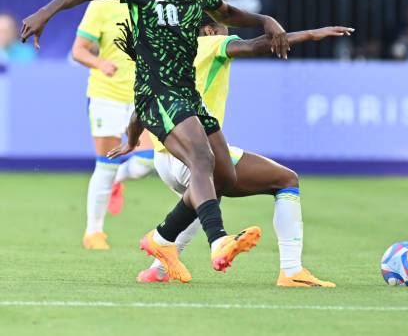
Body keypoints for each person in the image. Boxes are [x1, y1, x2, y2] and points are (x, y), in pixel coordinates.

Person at [21, 0, 291, 282]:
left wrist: (265, 20)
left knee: (224, 176)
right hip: (157, 92)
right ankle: (218, 241)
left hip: (187, 95)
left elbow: (227, 13)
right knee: (202, 159)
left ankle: (162, 238)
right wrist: (44, 12)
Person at [109, 19, 352, 286]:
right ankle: (291, 271)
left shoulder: (166, 55)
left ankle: (159, 268)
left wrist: (131, 142)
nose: (230, 35)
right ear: (211, 30)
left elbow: (140, 109)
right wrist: (310, 33)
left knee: (201, 201)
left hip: (164, 160)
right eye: (226, 29)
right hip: (197, 155)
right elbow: (256, 45)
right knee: (287, 180)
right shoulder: (212, 43)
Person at [71, 0, 155, 250]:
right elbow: (78, 51)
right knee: (104, 163)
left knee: (147, 162)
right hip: (106, 93)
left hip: (143, 96)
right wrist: (99, 62)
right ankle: (94, 232)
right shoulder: (102, 3)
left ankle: (117, 181)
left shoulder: (154, 2)